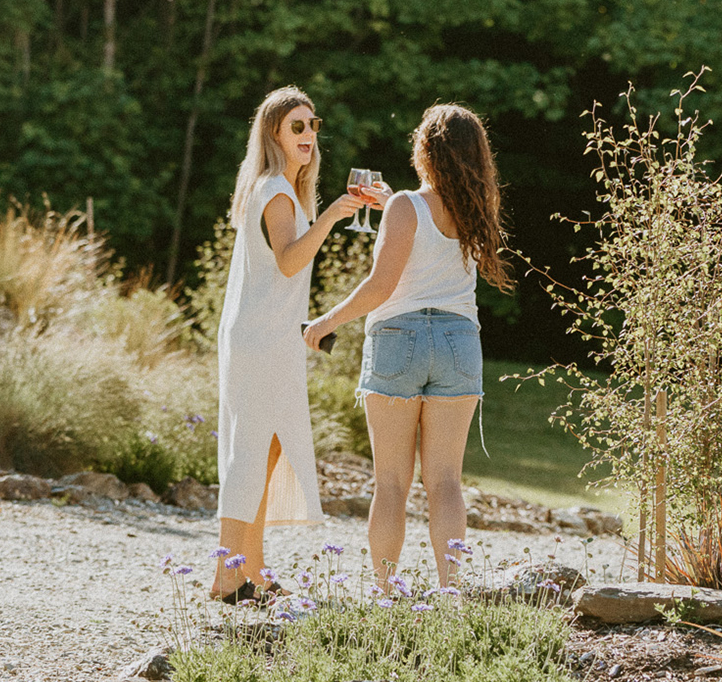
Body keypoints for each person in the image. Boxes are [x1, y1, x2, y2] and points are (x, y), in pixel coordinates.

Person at [304, 103, 514, 591]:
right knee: (445, 482)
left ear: (425, 149)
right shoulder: (476, 211)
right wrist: (395, 209)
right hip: (459, 341)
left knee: (392, 484)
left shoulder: (406, 205)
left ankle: (386, 593)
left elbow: (381, 286)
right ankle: (450, 592)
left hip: (399, 340)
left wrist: (325, 321)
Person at [211, 86, 375, 602]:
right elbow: (287, 260)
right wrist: (330, 217)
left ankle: (252, 569)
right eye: (296, 127)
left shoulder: (277, 187)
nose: (308, 134)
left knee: (265, 449)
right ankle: (225, 576)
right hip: (260, 340)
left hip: (266, 336)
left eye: (312, 125)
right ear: (274, 134)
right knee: (251, 453)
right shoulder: (277, 191)